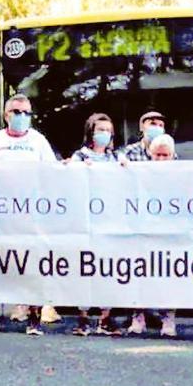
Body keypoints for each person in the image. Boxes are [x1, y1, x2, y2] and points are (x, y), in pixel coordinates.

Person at [0, 94, 59, 336]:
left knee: (31, 265)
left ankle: (33, 320)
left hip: (30, 214)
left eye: (26, 113)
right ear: (6, 115)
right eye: (16, 112)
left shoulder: (39, 141)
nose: (21, 117)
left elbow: (53, 173)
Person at [69, 113, 123, 336]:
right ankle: (82, 318)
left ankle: (105, 318)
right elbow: (68, 178)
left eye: (108, 130)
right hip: (85, 220)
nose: (104, 134)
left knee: (107, 269)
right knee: (85, 269)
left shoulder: (115, 157)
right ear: (90, 131)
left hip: (109, 220)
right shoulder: (80, 156)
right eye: (100, 129)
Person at [127, 133, 182, 337]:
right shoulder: (140, 175)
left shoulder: (183, 176)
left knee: (170, 276)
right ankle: (138, 317)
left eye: (164, 155)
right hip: (144, 233)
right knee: (140, 274)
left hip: (170, 234)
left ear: (172, 156)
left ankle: (168, 319)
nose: (160, 159)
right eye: (156, 155)